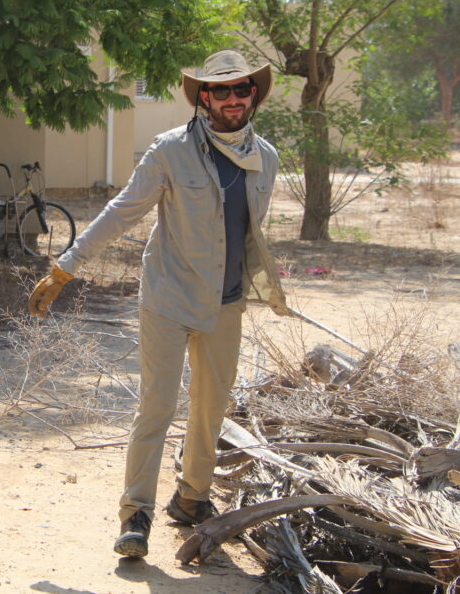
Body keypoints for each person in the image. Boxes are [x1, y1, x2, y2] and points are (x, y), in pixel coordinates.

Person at [27, 50, 289, 558]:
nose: (233, 99)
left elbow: (245, 233)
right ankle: (136, 513)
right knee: (157, 406)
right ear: (203, 98)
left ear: (253, 96)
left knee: (211, 409)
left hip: (226, 302)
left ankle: (192, 498)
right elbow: (122, 211)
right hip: (168, 296)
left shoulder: (268, 157)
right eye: (221, 91)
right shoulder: (171, 150)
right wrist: (66, 267)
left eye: (242, 90)